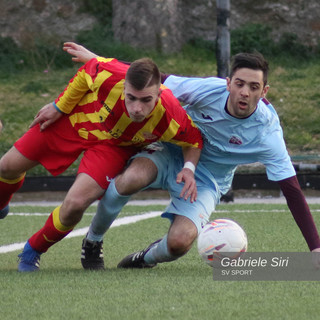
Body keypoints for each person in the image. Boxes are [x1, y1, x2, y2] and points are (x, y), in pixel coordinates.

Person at [66, 43, 320, 270]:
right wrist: (98, 61)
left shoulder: (268, 134)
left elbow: (292, 190)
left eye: (253, 87)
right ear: (229, 82)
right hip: (172, 151)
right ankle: (93, 241)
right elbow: (155, 79)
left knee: (179, 243)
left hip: (208, 181)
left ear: (264, 91)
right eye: (240, 84)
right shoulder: (208, 90)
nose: (244, 92)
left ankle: (145, 258)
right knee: (132, 177)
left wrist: (315, 248)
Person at [0, 52, 204, 272]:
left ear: (158, 93)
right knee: (6, 167)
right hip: (77, 119)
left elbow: (193, 141)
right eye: (131, 98)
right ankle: (2, 204)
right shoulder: (111, 75)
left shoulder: (171, 114)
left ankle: (32, 251)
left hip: (112, 148)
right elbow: (89, 68)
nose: (137, 108)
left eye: (146, 100)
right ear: (124, 86)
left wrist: (188, 169)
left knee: (75, 205)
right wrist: (59, 106)